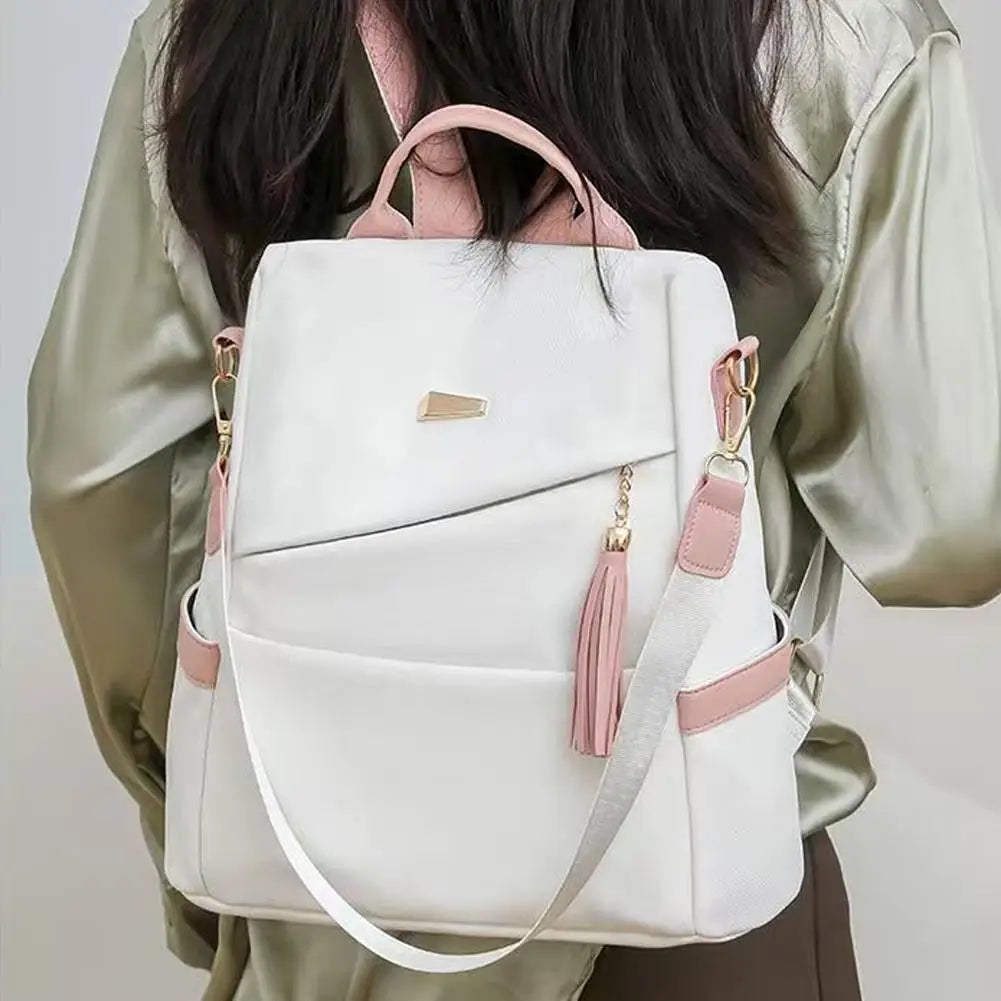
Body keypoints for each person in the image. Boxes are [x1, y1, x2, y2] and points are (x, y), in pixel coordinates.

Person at [27, 0, 1000, 998]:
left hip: (321, 882)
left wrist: (203, 793)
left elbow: (95, 479)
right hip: (686, 877)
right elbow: (943, 525)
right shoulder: (838, 37)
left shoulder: (214, 32)